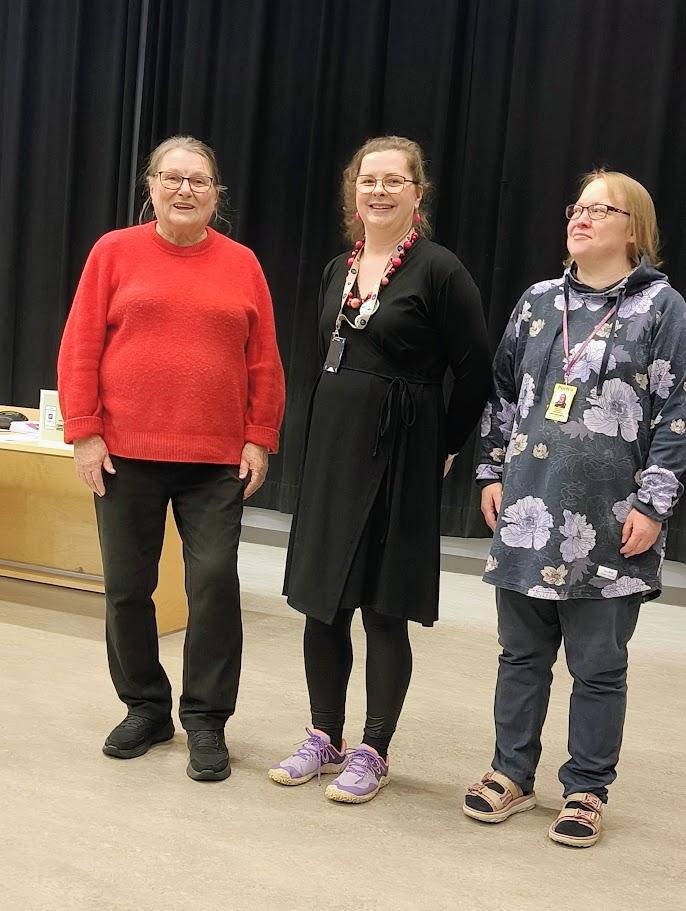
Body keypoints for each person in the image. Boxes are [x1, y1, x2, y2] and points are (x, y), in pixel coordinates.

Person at [464, 169, 686, 846]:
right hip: (527, 509)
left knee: (598, 666)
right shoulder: (538, 301)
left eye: (600, 210)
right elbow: (503, 392)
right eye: (577, 208)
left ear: (634, 228)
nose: (581, 218)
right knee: (520, 655)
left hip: (611, 521)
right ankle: (511, 772)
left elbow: (677, 410)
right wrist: (490, 470)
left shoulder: (662, 307)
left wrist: (654, 503)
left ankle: (587, 788)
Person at [269, 136, 491, 803]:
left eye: (395, 181)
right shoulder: (337, 269)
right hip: (333, 453)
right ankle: (323, 735)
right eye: (369, 180)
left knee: (383, 608)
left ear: (417, 194)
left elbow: (475, 371)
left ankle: (373, 748)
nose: (379, 191)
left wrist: (445, 444)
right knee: (322, 602)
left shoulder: (440, 270)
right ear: (353, 190)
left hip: (402, 456)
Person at [58, 135, 285, 781]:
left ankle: (206, 720)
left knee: (213, 585)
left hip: (214, 460)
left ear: (216, 194)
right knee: (128, 589)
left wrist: (258, 436)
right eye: (173, 177)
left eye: (199, 180)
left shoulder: (242, 263)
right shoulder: (113, 252)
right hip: (123, 454)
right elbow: (79, 345)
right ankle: (146, 708)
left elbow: (264, 359)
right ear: (151, 186)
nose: (185, 189)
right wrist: (85, 432)